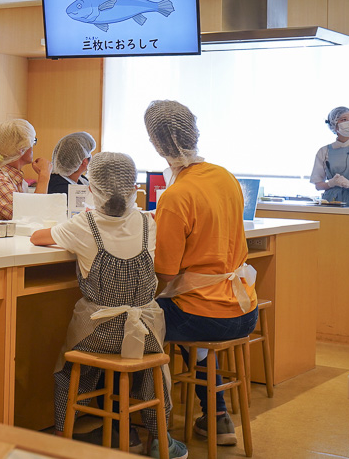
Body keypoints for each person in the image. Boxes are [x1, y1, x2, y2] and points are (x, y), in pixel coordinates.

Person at [31, 152, 183, 458]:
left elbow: (38, 237)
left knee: (70, 369)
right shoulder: (148, 222)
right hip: (145, 328)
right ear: (134, 187)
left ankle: (63, 433)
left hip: (98, 330)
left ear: (92, 188)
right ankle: (158, 437)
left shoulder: (83, 225)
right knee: (150, 374)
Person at [145, 99, 257, 449]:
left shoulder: (176, 196)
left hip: (205, 316)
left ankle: (145, 427)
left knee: (136, 319)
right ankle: (217, 417)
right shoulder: (225, 177)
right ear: (194, 131)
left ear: (157, 144)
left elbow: (165, 272)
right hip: (242, 309)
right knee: (198, 316)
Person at [0, 119, 50, 221]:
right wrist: (44, 176)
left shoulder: (14, 179)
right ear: (21, 149)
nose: (33, 147)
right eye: (32, 142)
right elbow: (30, 217)